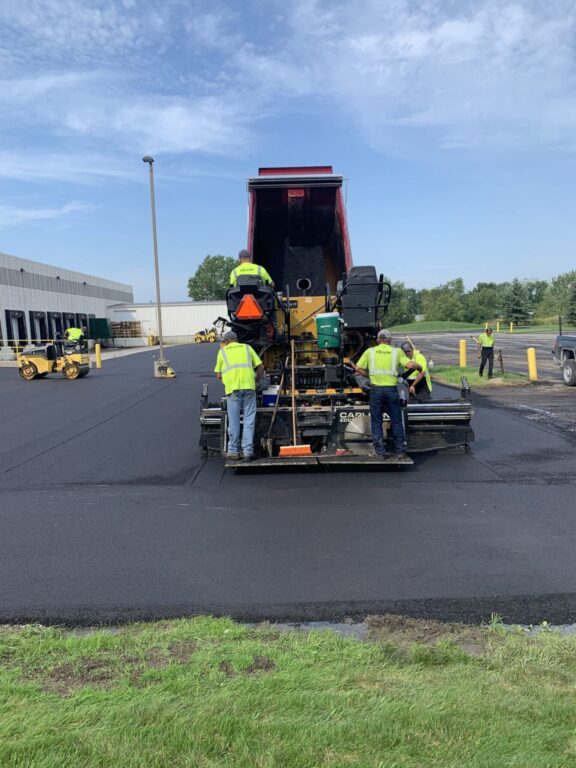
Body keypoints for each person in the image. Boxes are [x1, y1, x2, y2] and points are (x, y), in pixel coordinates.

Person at [353, 330, 421, 458]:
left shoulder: (370, 352)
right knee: (396, 421)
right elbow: (410, 364)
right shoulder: (397, 352)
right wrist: (419, 366)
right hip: (391, 390)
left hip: (376, 390)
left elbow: (357, 368)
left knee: (376, 421)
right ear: (390, 340)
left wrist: (369, 376)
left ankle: (379, 452)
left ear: (378, 340)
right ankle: (400, 451)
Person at [214, 330, 265, 461]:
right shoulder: (247, 348)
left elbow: (218, 374)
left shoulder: (222, 352)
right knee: (249, 420)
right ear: (237, 339)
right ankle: (248, 452)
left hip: (233, 389)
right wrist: (257, 382)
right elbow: (260, 367)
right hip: (249, 387)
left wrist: (227, 380)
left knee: (234, 420)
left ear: (226, 341)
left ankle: (233, 451)